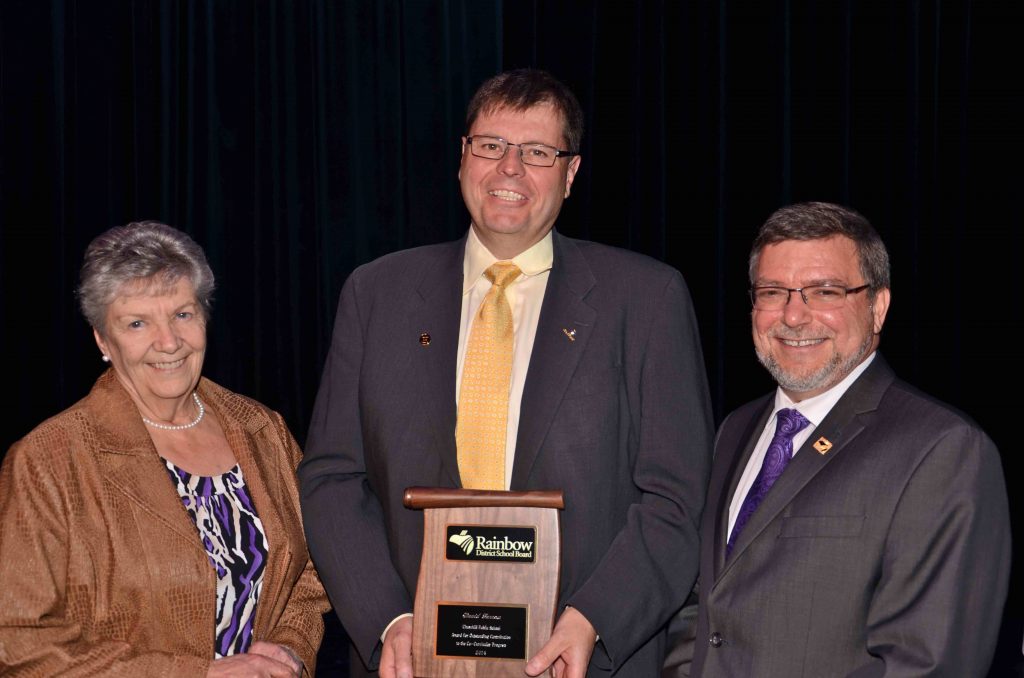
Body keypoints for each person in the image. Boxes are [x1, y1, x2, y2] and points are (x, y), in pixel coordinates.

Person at [299, 68, 713, 677]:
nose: (510, 169)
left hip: (582, 660)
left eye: (538, 153)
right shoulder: (377, 294)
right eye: (491, 146)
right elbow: (333, 478)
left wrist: (593, 619)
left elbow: (677, 498)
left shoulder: (646, 299)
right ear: (462, 159)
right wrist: (388, 620)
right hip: (409, 662)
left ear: (571, 175)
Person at [663, 202, 1011, 677]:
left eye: (824, 292)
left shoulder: (943, 449)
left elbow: (926, 664)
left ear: (878, 307)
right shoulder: (734, 430)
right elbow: (701, 607)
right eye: (772, 292)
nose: (793, 315)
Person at [0, 221, 330, 676]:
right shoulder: (48, 461)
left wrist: (289, 649)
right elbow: (17, 642)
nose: (170, 342)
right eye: (137, 323)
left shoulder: (262, 429)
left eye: (182, 314)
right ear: (102, 339)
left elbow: (316, 566)